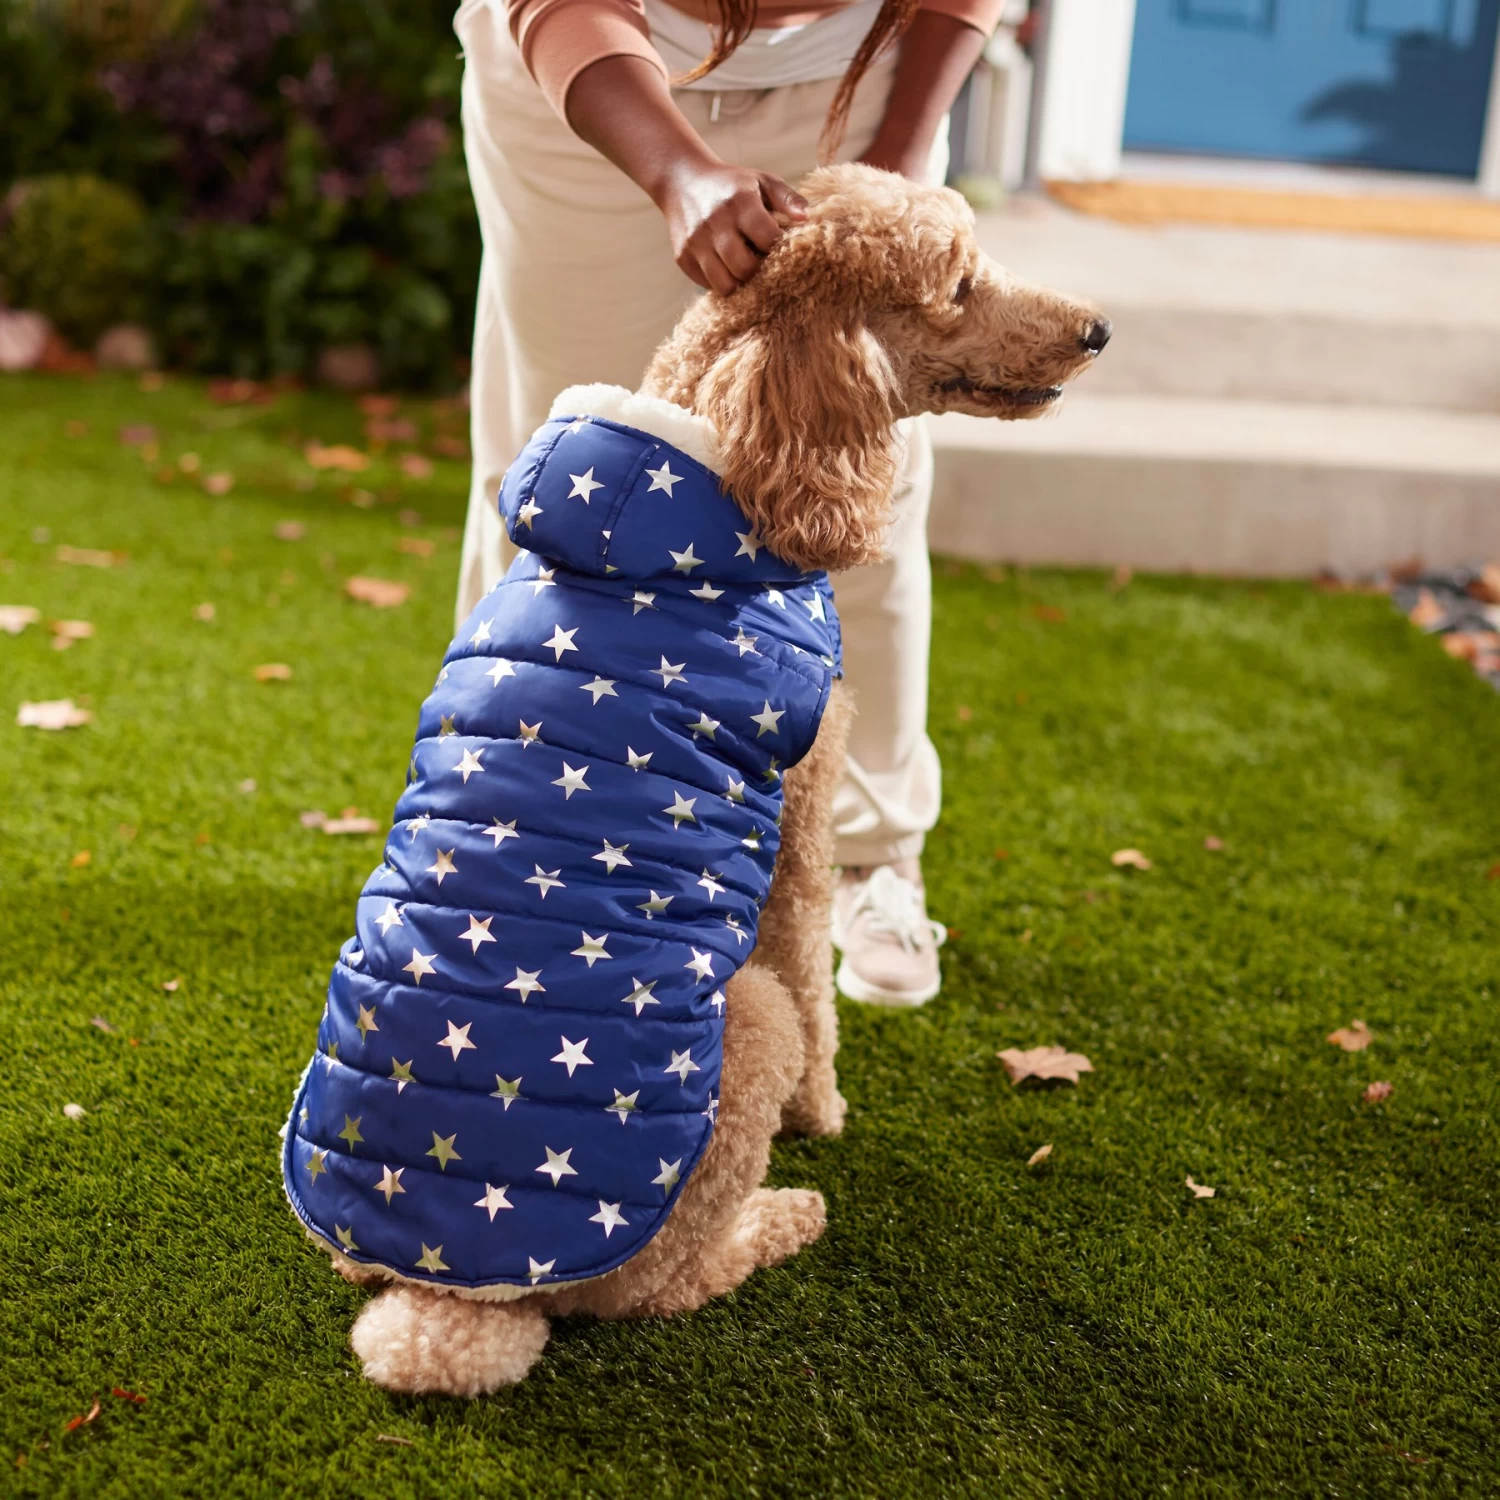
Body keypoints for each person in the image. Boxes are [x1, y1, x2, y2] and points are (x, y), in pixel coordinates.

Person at [454, 0, 1000, 1005]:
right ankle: (509, 833)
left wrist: (896, 163)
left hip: (855, 71)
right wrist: (677, 170)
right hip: (584, 69)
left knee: (862, 466)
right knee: (566, 461)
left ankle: (871, 852)